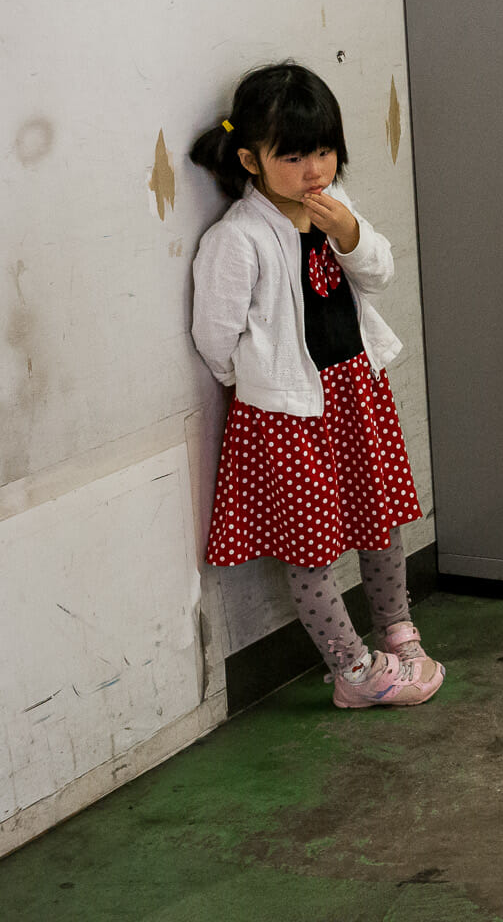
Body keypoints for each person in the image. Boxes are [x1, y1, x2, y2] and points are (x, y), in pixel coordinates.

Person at [187, 61, 442, 708]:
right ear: (250, 158)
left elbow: (378, 274)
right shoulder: (238, 238)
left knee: (379, 515)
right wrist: (260, 384)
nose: (314, 170)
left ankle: (398, 630)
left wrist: (348, 234)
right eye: (293, 156)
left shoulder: (336, 209)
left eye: (324, 151)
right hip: (288, 412)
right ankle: (352, 669)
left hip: (356, 390)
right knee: (313, 542)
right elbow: (215, 338)